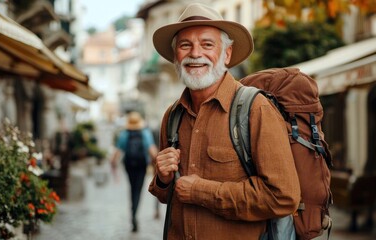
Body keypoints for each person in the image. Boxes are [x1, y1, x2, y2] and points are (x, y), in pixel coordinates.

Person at [148, 3, 301, 240]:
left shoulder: (255, 109)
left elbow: (283, 197)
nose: (195, 53)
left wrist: (201, 191)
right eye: (185, 45)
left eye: (207, 44)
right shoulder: (173, 115)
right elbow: (168, 195)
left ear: (226, 54)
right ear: (175, 56)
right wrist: (163, 179)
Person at [111, 111, 158, 232]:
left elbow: (117, 151)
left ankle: (133, 213)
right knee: (138, 189)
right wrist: (156, 163)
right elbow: (152, 151)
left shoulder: (125, 133)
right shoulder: (145, 133)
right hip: (142, 165)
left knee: (132, 189)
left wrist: (113, 162)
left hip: (129, 165)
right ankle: (135, 213)